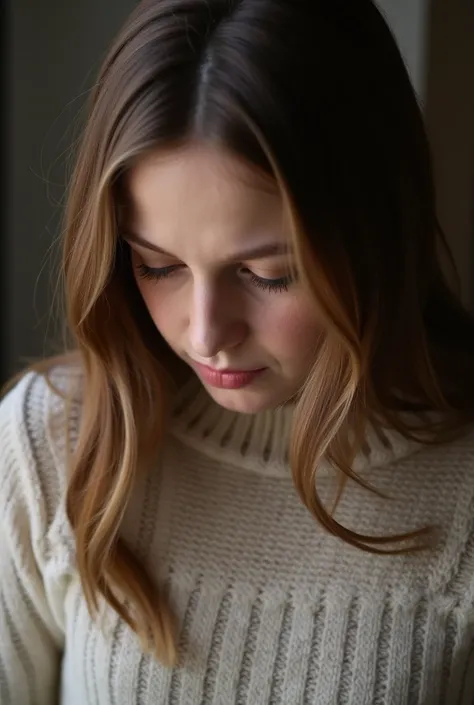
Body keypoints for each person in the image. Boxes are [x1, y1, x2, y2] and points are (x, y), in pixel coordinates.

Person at [1, 0, 474, 702]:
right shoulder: (51, 443)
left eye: (268, 273)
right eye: (157, 265)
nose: (204, 332)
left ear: (378, 233)